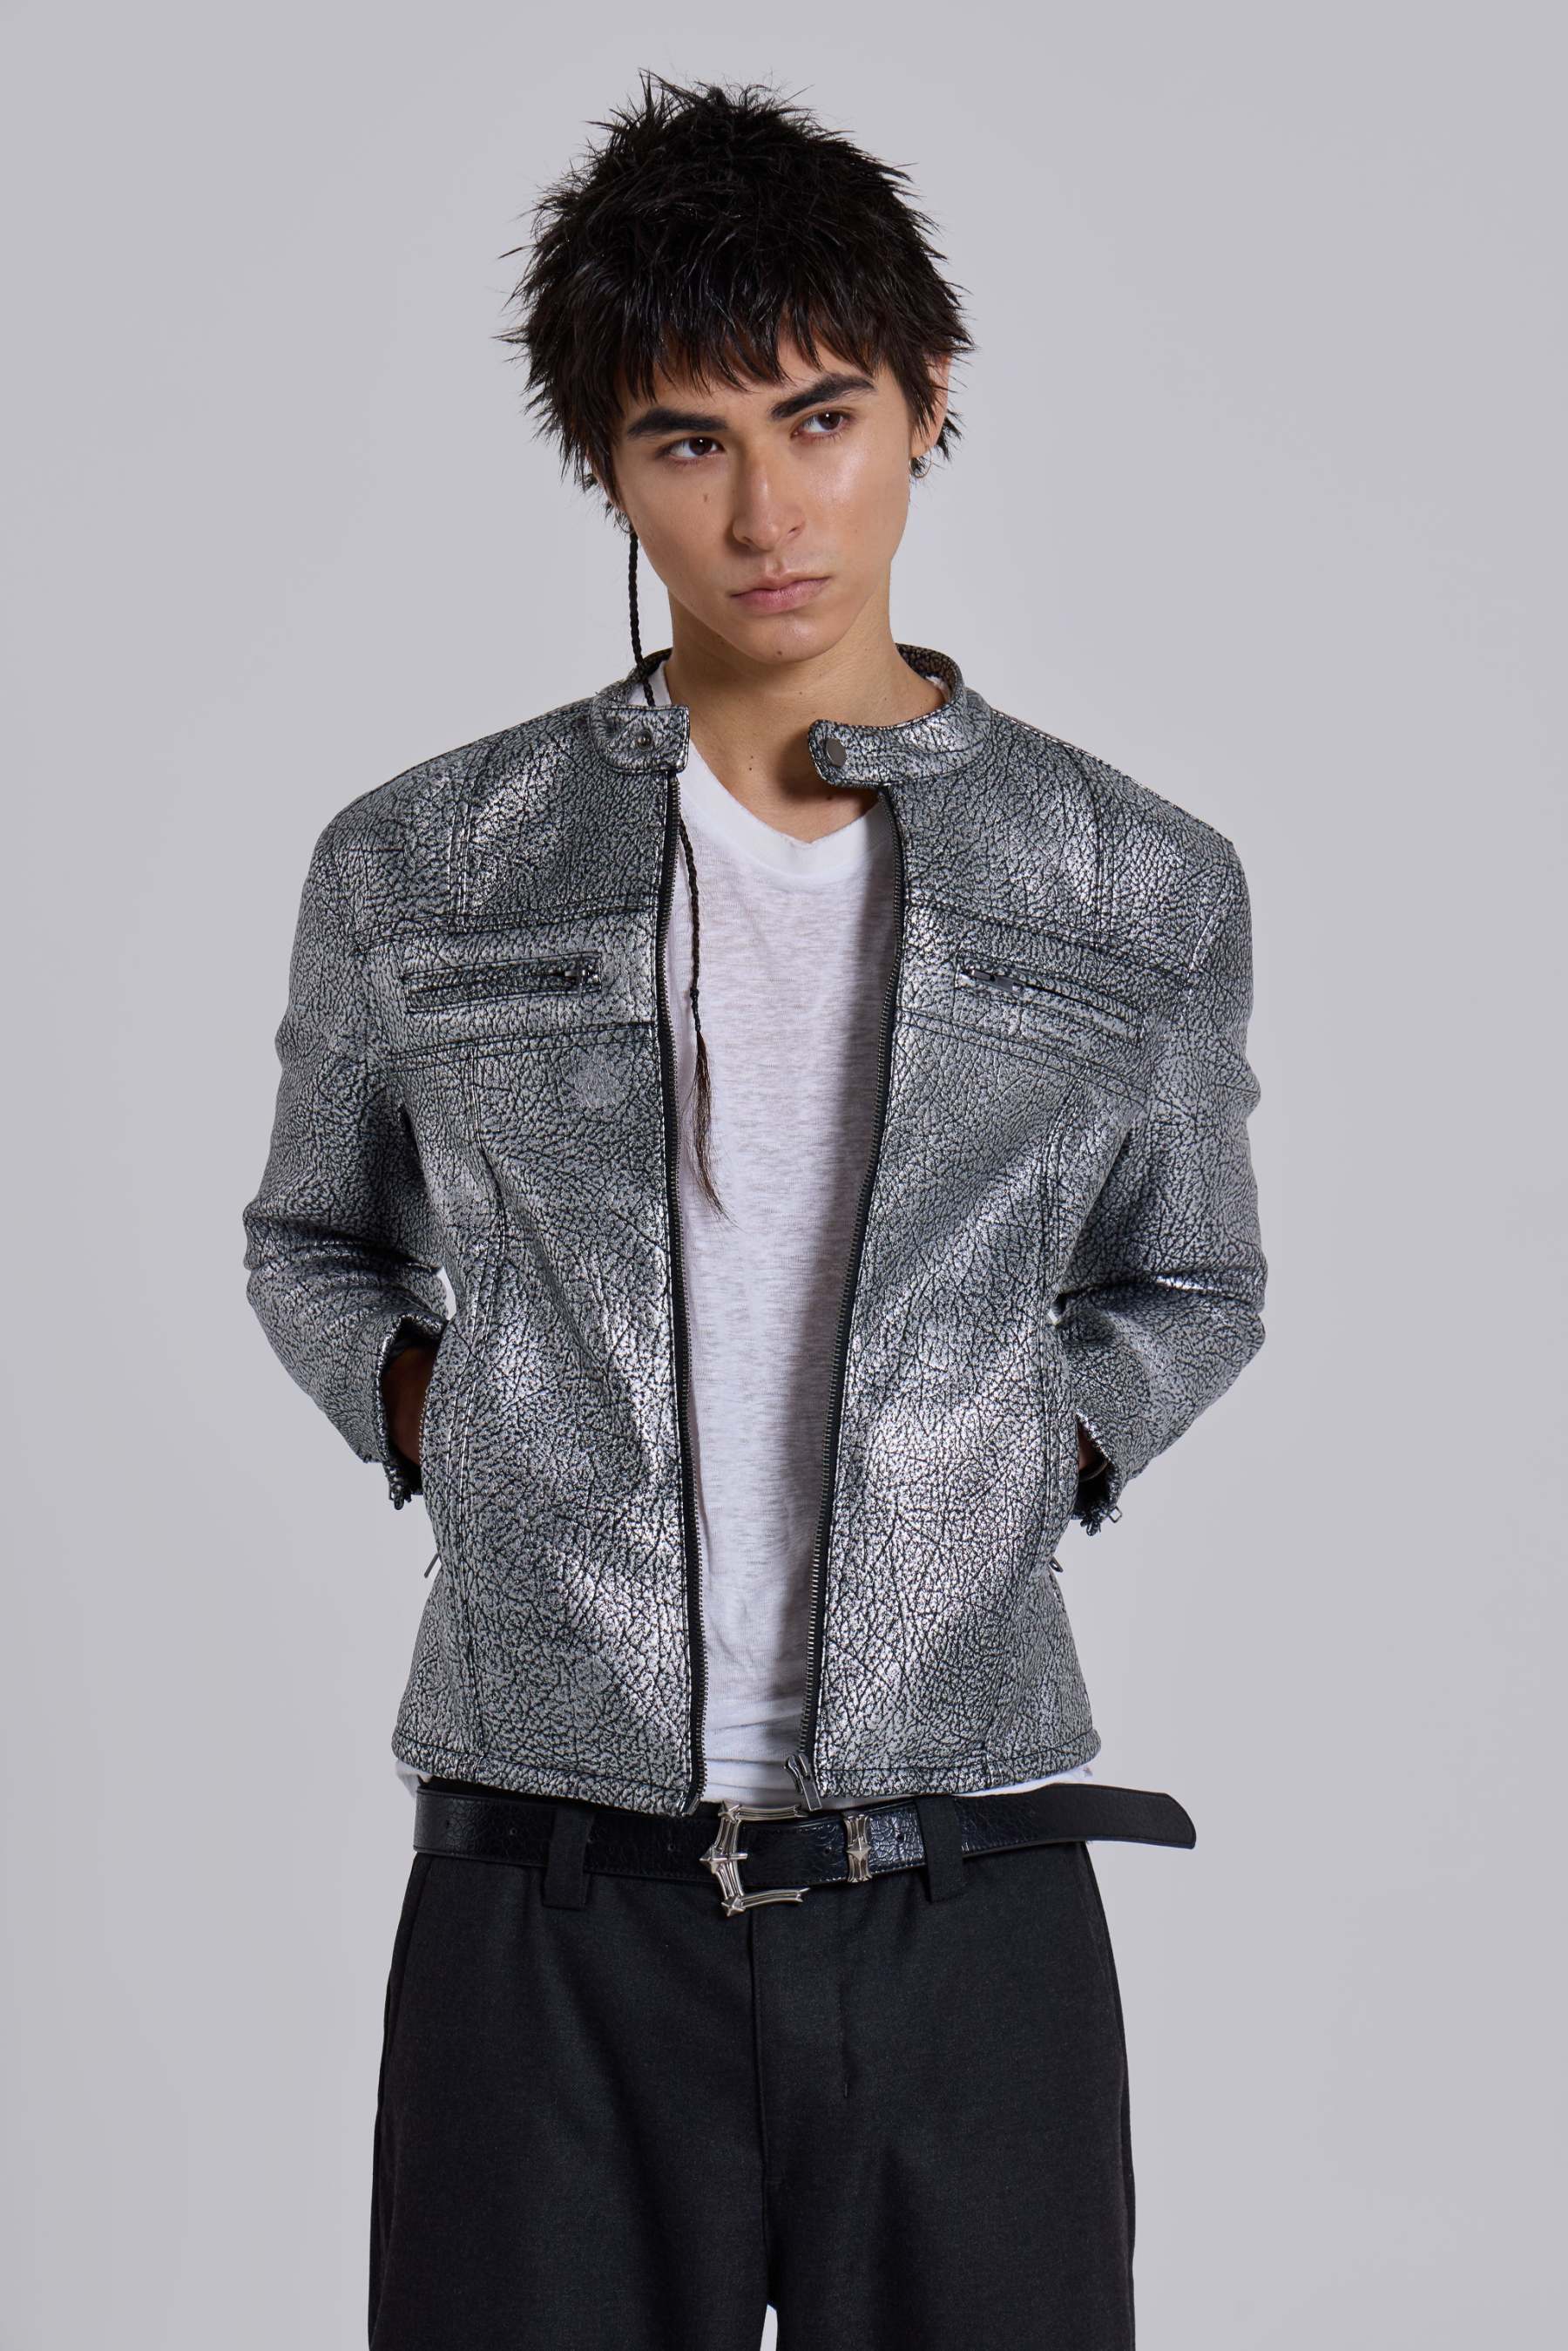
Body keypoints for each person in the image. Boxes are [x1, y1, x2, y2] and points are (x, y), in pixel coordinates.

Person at [242, 70, 1267, 2351]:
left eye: (821, 418)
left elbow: (1194, 1278)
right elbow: (315, 1236)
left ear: (926, 403)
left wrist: (1029, 1443)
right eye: (686, 440)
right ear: (609, 467)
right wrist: (450, 1412)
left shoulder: (1134, 881)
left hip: (963, 1899)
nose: (768, 508)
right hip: (543, 1901)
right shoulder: (419, 867)